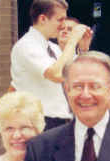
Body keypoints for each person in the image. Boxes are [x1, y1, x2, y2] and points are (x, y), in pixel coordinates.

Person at [11, 0, 92, 130]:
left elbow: (74, 74)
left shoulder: (53, 48)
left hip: (60, 121)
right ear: (43, 19)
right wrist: (72, 41)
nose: (63, 25)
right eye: (60, 20)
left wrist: (83, 49)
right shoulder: (26, 45)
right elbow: (57, 74)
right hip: (39, 122)